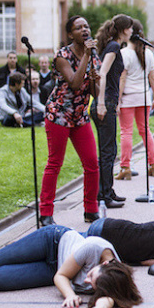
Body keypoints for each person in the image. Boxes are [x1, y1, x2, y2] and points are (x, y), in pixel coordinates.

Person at [0, 225, 141, 308]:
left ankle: (6, 262)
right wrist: (70, 294)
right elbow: (61, 277)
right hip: (52, 243)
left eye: (92, 284)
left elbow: (112, 296)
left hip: (54, 268)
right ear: (104, 264)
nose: (87, 281)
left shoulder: (114, 279)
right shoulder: (93, 247)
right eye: (91, 275)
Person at [40, 16, 101, 226]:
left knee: (92, 163)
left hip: (80, 115)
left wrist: (95, 80)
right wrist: (86, 56)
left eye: (86, 26)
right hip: (59, 114)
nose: (84, 30)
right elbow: (75, 83)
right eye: (78, 27)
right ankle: (46, 212)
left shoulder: (94, 56)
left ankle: (90, 210)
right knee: (55, 163)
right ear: (70, 34)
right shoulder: (62, 56)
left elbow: (94, 92)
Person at [91, 14, 131, 209]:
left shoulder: (113, 46)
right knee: (108, 152)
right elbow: (103, 73)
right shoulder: (114, 47)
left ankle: (107, 190)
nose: (132, 31)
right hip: (103, 103)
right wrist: (101, 103)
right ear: (124, 30)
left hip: (108, 102)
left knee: (109, 150)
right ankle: (104, 195)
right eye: (130, 28)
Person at [117, 24, 154, 181]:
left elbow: (122, 78)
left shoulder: (124, 53)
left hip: (128, 97)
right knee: (145, 130)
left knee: (126, 131)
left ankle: (125, 167)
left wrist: (118, 99)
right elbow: (152, 78)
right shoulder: (148, 53)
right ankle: (153, 164)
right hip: (144, 97)